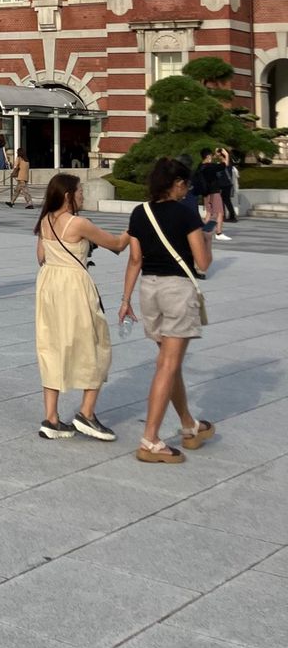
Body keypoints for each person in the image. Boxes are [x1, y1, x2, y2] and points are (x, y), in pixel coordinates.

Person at [120, 157, 214, 464]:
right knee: (167, 365)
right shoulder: (186, 214)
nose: (187, 190)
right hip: (176, 291)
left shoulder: (140, 212)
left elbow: (135, 259)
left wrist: (125, 299)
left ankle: (189, 425)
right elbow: (203, 263)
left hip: (150, 289)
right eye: (185, 184)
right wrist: (208, 240)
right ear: (175, 184)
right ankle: (150, 439)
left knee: (168, 363)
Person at [34, 174, 129, 440]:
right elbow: (117, 245)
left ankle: (51, 418)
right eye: (80, 191)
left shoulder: (44, 221)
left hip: (49, 285)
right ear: (68, 196)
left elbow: (41, 257)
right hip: (73, 286)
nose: (82, 196)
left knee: (51, 346)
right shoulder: (78, 223)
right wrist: (135, 229)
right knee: (95, 343)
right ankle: (86, 414)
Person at [216, 146, 239, 228]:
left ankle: (231, 216)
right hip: (222, 185)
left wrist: (223, 151)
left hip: (226, 185)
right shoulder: (221, 164)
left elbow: (226, 156)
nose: (218, 156)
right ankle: (224, 215)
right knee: (223, 200)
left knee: (226, 200)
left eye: (220, 155)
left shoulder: (227, 164)